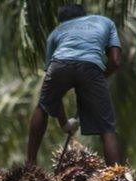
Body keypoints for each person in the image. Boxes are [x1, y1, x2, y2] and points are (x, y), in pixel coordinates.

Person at [25, 4, 123, 166]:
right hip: (91, 68)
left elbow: (52, 95)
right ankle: (117, 174)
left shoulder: (56, 32)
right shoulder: (105, 22)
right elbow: (115, 61)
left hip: (60, 64)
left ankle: (30, 163)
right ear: (84, 14)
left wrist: (65, 124)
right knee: (107, 128)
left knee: (42, 106)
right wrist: (100, 77)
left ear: (62, 20)